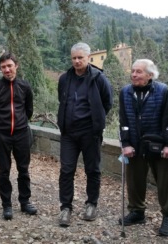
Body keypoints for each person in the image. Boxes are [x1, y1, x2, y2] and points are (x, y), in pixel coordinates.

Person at [56, 42, 113, 227]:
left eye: (80, 57)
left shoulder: (99, 78)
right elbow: (61, 99)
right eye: (74, 58)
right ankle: (65, 207)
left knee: (93, 169)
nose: (77, 61)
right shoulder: (65, 78)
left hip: (90, 133)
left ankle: (91, 204)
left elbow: (107, 102)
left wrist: (95, 120)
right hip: (69, 134)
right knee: (66, 170)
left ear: (88, 58)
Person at [119, 59, 168, 236]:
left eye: (139, 72)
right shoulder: (125, 92)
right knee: (134, 181)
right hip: (135, 145)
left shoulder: (162, 91)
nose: (134, 75)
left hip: (158, 145)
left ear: (150, 75)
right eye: (133, 71)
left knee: (165, 183)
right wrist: (126, 143)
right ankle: (137, 212)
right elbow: (124, 122)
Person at [0, 52, 37, 220]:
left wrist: (21, 123)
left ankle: (25, 202)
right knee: (4, 170)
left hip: (22, 133)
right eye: (3, 67)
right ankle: (6, 205)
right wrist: (1, 126)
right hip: (2, 134)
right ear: (0, 69)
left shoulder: (25, 86)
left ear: (16, 65)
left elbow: (29, 109)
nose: (7, 70)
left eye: (9, 66)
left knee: (23, 169)